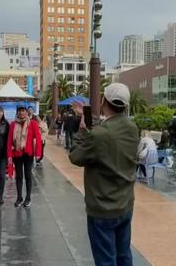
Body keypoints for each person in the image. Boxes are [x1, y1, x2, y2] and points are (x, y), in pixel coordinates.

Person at [69, 83, 139, 266]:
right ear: (125, 105)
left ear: (103, 101)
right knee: (124, 255)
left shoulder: (100, 135)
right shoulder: (132, 128)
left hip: (102, 208)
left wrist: (82, 131)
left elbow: (75, 156)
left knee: (106, 260)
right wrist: (85, 117)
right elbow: (108, 129)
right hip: (125, 204)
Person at [8, 105, 42, 207]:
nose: (21, 113)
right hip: (17, 153)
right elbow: (9, 141)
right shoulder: (13, 124)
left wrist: (38, 154)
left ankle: (28, 198)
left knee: (28, 176)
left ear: (26, 112)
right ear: (17, 112)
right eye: (19, 111)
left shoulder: (33, 123)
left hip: (28, 154)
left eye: (23, 111)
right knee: (19, 176)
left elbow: (38, 139)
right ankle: (19, 197)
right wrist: (9, 155)